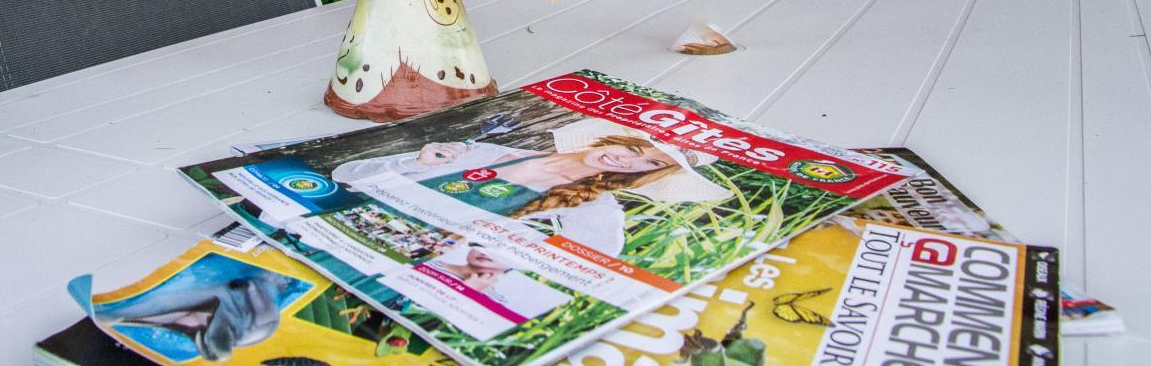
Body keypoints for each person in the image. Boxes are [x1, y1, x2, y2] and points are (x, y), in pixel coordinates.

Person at [333, 133, 728, 255]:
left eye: (648, 163)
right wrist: (418, 162)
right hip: (348, 224)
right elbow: (347, 174)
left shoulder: (595, 208)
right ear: (613, 139)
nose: (626, 160)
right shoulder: (487, 151)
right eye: (634, 148)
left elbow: (594, 262)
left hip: (408, 257)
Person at [93, 266, 287, 361]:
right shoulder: (257, 324)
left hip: (223, 297)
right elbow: (252, 285)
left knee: (117, 315)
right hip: (233, 289)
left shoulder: (246, 328)